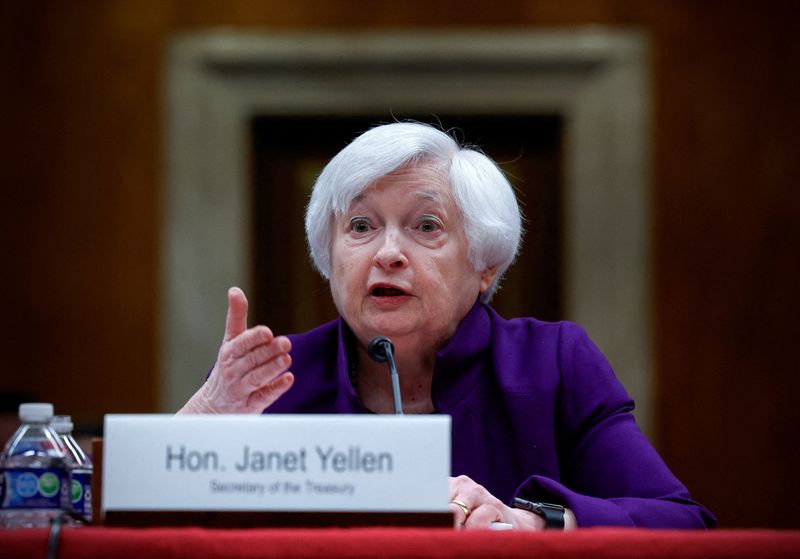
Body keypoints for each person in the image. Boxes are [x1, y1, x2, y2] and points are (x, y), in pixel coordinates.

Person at [179, 122, 716, 530]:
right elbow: (144, 530)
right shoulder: (269, 376)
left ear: (484, 264)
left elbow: (683, 522)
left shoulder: (552, 364)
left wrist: (532, 522)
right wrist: (205, 416)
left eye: (426, 225)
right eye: (361, 226)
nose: (388, 252)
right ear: (330, 255)